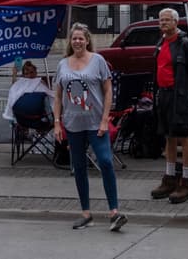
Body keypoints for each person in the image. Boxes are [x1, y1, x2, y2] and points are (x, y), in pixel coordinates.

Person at [53, 23, 125, 232]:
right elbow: (58, 95)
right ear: (70, 41)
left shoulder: (98, 61)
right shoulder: (63, 64)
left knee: (105, 161)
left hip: (95, 122)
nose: (77, 41)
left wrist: (105, 119)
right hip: (73, 123)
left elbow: (108, 90)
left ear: (87, 40)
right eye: (74, 38)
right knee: (79, 167)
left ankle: (114, 212)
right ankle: (86, 213)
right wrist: (57, 122)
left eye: (81, 38)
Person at [149, 8, 188, 204]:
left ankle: (186, 181)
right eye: (161, 20)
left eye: (166, 20)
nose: (163, 23)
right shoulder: (160, 43)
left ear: (175, 22)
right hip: (164, 95)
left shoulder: (184, 44)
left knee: (184, 138)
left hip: (180, 96)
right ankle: (170, 177)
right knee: (169, 137)